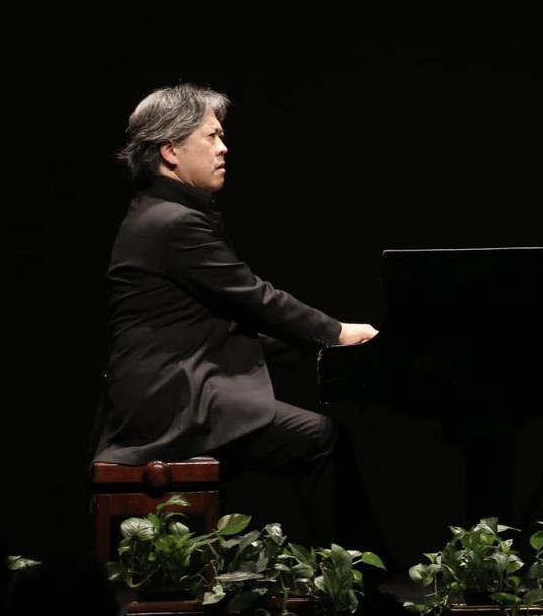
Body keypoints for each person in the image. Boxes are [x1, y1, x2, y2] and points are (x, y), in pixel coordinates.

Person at [92, 83, 378, 544]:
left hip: (164, 395)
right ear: (170, 151)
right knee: (321, 439)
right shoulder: (173, 222)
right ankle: (359, 575)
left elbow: (212, 324)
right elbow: (255, 298)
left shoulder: (156, 213)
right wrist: (337, 332)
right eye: (212, 136)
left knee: (315, 436)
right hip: (173, 404)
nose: (224, 148)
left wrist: (311, 352)